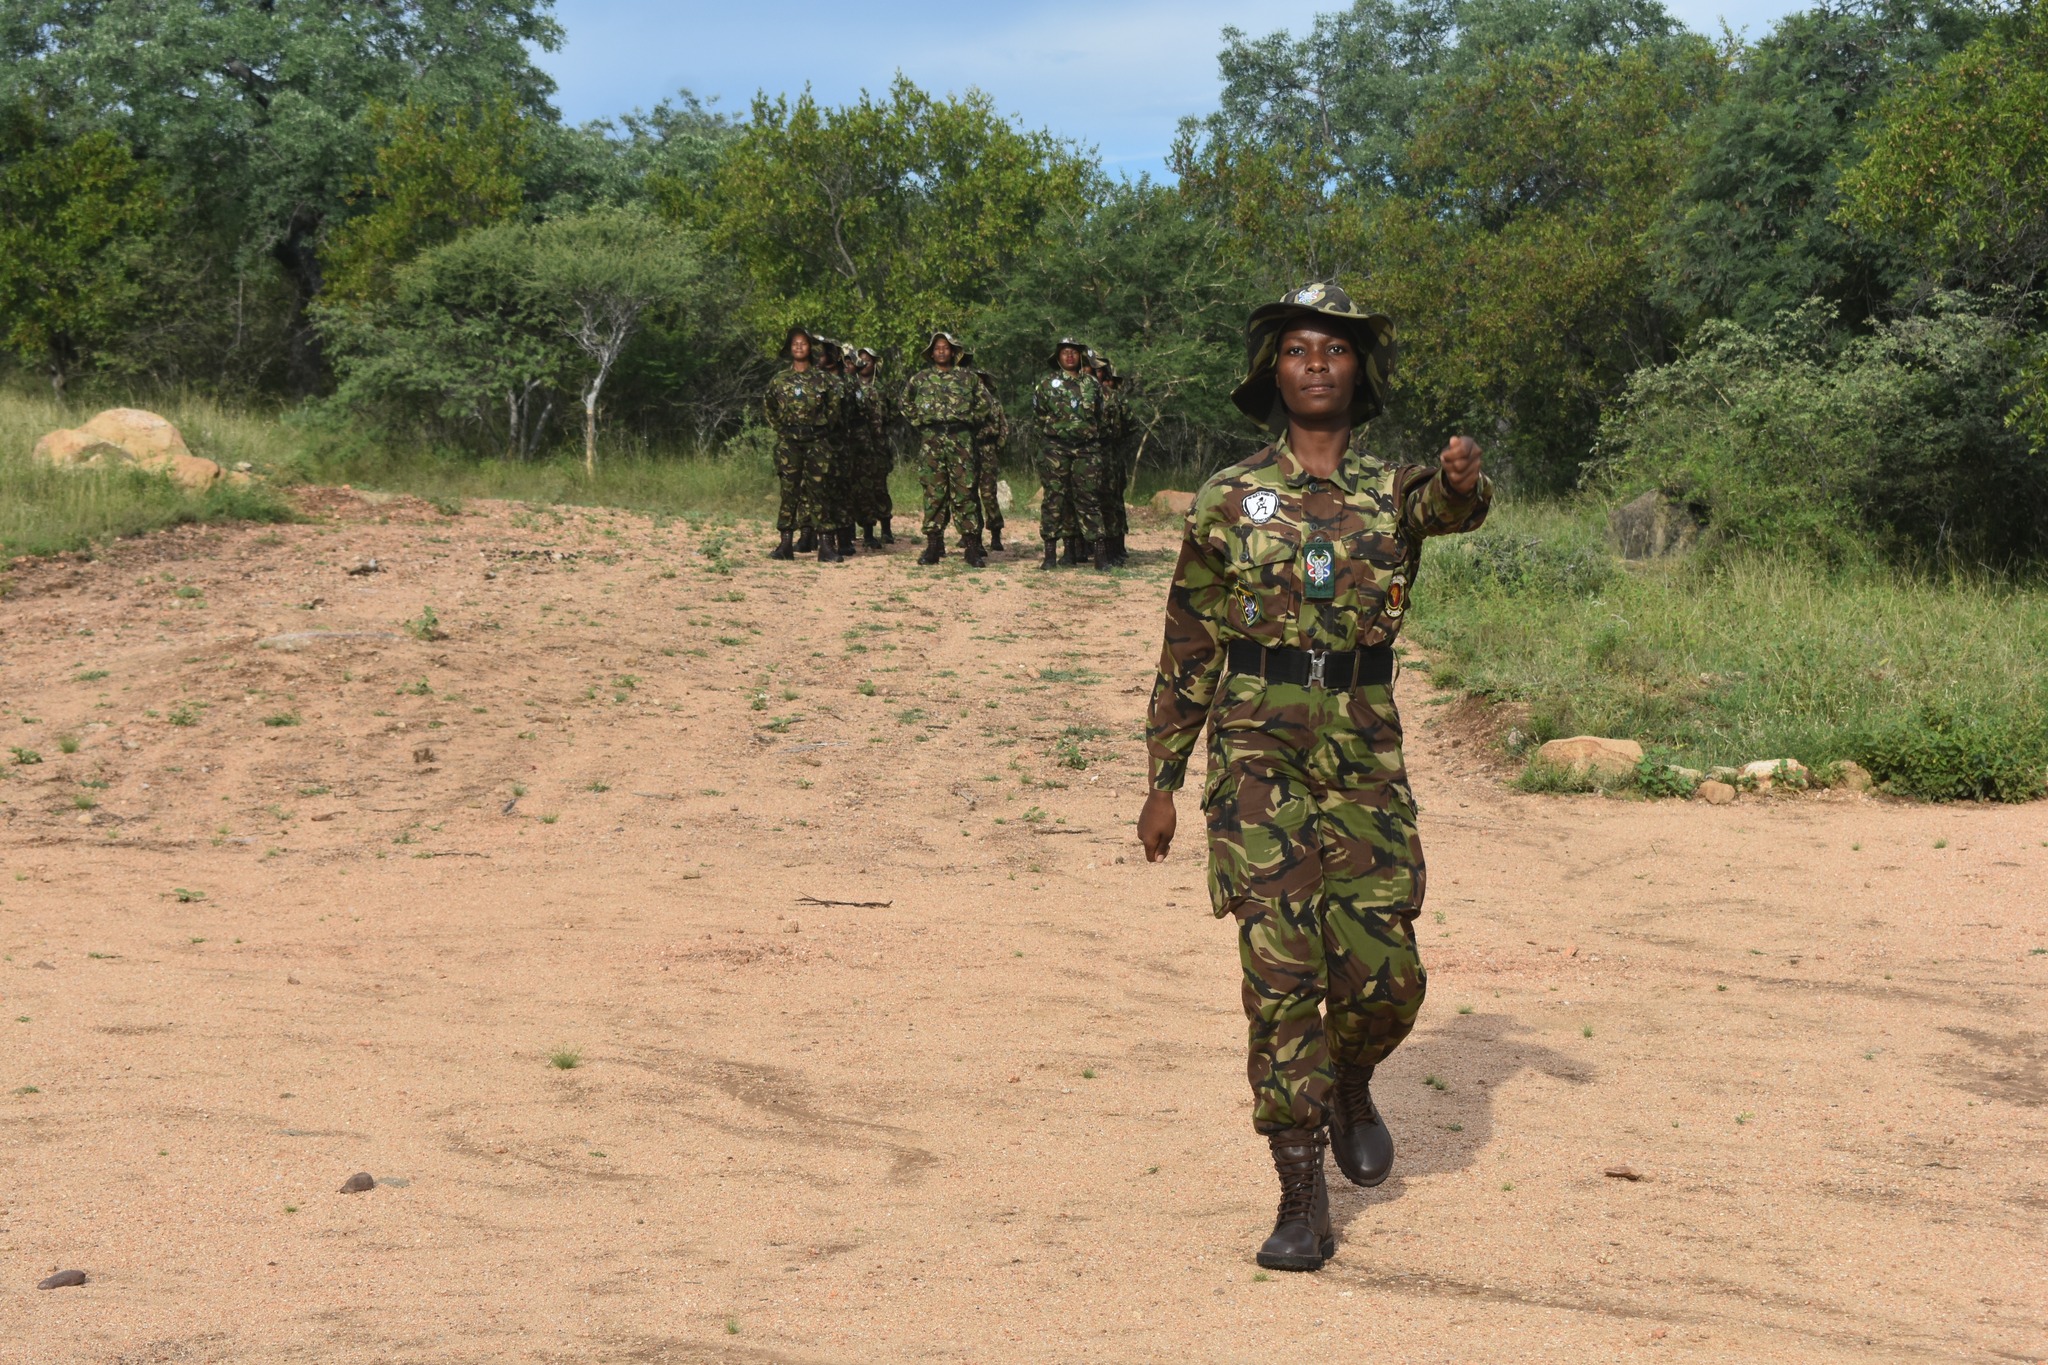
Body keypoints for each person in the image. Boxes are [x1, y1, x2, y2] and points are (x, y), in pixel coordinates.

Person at [1136, 282, 1490, 1273]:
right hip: (1253, 749)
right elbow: (1187, 638)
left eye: (1334, 350)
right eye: (1298, 349)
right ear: (1272, 373)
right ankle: (1300, 1198)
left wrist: (1461, 482)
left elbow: (1446, 507)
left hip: (1362, 752)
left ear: (1357, 372)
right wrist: (1163, 774)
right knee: (1280, 976)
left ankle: (1351, 1078)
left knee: (1386, 977)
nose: (1318, 362)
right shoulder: (1225, 496)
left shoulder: (1392, 490)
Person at [900, 331, 996, 567]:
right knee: (934, 494)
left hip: (960, 439)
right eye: (937, 348)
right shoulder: (920, 379)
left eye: (946, 347)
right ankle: (933, 546)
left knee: (965, 492)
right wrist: (920, 421)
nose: (941, 351)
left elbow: (986, 403)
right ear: (932, 353)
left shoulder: (968, 378)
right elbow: (905, 402)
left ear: (953, 352)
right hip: (931, 440)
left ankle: (971, 548)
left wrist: (970, 421)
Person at [761, 326, 843, 563]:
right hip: (789, 443)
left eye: (803, 343)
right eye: (795, 343)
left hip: (817, 441)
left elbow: (834, 408)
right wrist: (784, 430)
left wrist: (821, 428)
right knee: (789, 492)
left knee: (819, 491)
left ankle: (826, 546)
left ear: (810, 348)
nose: (799, 346)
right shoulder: (779, 380)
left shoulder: (823, 379)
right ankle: (785, 543)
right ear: (789, 348)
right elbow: (769, 408)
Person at [1030, 337, 1107, 571]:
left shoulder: (1092, 385)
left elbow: (1099, 416)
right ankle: (1050, 554)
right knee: (1054, 499)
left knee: (1089, 499)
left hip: (1086, 450)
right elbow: (1038, 417)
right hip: (1056, 449)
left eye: (1074, 352)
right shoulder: (1045, 384)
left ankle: (1100, 555)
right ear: (1058, 357)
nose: (1070, 356)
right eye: (1065, 352)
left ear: (1080, 355)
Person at [959, 351, 1011, 553]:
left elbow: (1003, 430)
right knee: (968, 494)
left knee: (988, 495)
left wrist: (994, 447)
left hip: (987, 450)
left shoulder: (994, 404)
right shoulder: (965, 404)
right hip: (968, 450)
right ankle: (972, 535)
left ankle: (996, 534)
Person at [816, 338, 859, 558]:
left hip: (840, 444)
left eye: (824, 354)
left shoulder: (847, 383)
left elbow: (850, 414)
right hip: (817, 443)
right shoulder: (813, 380)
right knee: (818, 491)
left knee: (841, 492)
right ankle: (819, 538)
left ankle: (843, 538)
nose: (819, 357)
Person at [1091, 354, 1133, 565]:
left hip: (1108, 456)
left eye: (1096, 369)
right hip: (1081, 455)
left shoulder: (1111, 397)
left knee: (1109, 502)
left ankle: (1111, 549)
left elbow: (1125, 427)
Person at [852, 347, 894, 548]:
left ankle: (886, 528)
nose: (864, 364)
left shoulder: (882, 388)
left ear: (874, 363)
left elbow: (893, 413)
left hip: (879, 447)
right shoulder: (852, 387)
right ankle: (860, 529)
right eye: (860, 361)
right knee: (858, 488)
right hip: (857, 446)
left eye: (867, 360)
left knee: (879, 487)